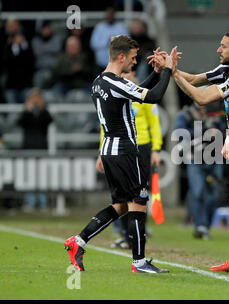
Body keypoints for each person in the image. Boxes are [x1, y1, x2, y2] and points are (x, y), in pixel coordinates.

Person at [64, 35, 178, 274]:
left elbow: (138, 91)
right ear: (121, 56)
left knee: (121, 205)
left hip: (109, 150)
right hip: (126, 150)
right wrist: (167, 70)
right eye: (134, 58)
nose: (135, 63)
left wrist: (156, 73)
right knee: (139, 201)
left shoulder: (99, 82)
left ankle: (78, 241)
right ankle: (139, 262)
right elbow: (153, 97)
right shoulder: (116, 82)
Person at [172, 31, 229, 276]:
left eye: (223, 46)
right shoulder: (225, 71)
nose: (218, 50)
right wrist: (174, 70)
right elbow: (194, 79)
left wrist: (173, 73)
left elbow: (201, 98)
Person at [95, 67, 164, 249]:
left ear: (134, 75)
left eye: (127, 74)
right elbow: (105, 127)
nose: (124, 77)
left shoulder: (142, 95)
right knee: (124, 196)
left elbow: (154, 124)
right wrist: (101, 152)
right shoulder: (115, 94)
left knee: (141, 194)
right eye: (122, 75)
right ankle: (127, 235)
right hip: (121, 148)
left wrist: (156, 148)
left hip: (142, 146)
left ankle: (137, 233)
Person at [174, 101, 225, 240]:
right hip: (195, 158)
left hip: (214, 157)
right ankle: (200, 226)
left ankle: (205, 226)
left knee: (215, 194)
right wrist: (204, 131)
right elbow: (179, 133)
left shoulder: (215, 113)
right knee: (198, 191)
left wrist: (218, 132)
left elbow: (225, 131)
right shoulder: (186, 114)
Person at [17, 88, 53, 211]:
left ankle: (42, 202)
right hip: (28, 148)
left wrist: (42, 108)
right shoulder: (27, 112)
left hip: (41, 148)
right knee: (29, 177)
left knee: (42, 177)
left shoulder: (44, 112)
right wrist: (28, 109)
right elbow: (20, 122)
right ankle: (30, 202)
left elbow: (48, 121)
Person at [3, 19, 34, 103]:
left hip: (26, 84)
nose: (12, 28)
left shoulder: (27, 42)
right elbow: (6, 62)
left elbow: (31, 62)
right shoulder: (6, 44)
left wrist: (22, 44)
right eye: (9, 26)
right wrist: (12, 45)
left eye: (13, 25)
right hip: (11, 85)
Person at [90, 7, 129, 74]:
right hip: (101, 65)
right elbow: (93, 44)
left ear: (114, 14)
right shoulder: (99, 27)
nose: (110, 16)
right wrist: (106, 42)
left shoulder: (121, 27)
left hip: (118, 64)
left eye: (111, 14)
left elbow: (128, 43)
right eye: (108, 14)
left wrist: (116, 43)